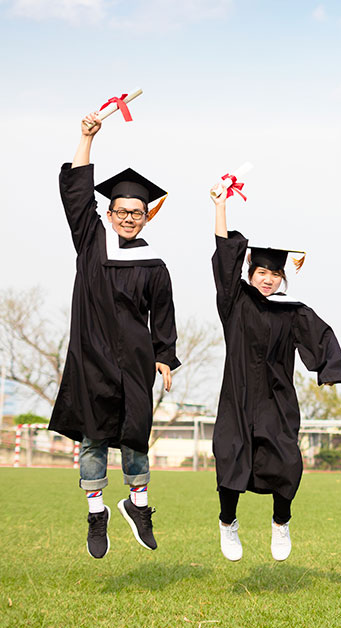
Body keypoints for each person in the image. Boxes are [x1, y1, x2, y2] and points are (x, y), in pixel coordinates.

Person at [50, 112, 179, 559]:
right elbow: (77, 195)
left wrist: (164, 355)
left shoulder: (154, 263)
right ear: (110, 212)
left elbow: (163, 312)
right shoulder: (91, 241)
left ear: (146, 217)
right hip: (91, 356)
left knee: (136, 432)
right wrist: (86, 138)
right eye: (122, 211)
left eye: (137, 212)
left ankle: (138, 505)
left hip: (136, 360)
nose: (128, 217)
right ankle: (96, 512)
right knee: (93, 436)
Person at [209, 185, 341, 562]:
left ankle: (281, 522)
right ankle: (227, 523)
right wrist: (221, 208)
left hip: (276, 400)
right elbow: (224, 260)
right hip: (237, 398)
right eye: (261, 272)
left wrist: (330, 368)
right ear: (250, 272)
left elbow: (321, 336)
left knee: (287, 463)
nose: (267, 279)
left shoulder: (292, 310)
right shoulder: (234, 302)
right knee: (231, 460)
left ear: (282, 276)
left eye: (274, 273)